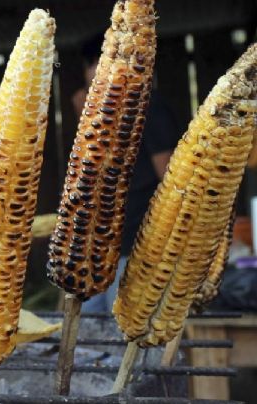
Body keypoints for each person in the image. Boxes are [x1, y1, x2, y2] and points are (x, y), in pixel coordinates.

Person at [73, 34, 184, 312]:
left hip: (135, 245)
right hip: (98, 247)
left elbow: (170, 179)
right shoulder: (101, 114)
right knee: (86, 330)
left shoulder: (149, 107)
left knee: (123, 328)